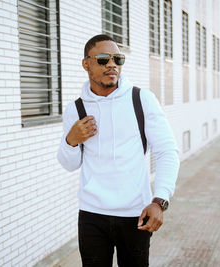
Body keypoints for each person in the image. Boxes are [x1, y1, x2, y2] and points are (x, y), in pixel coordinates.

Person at [57, 34, 180, 267]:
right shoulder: (76, 108)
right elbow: (69, 164)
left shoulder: (141, 99)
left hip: (136, 215)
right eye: (103, 59)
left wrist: (160, 200)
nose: (112, 64)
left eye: (117, 59)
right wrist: (70, 141)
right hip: (92, 215)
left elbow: (167, 151)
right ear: (86, 64)